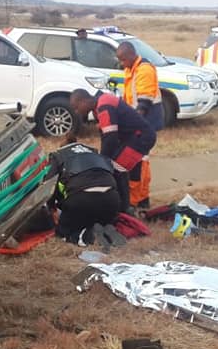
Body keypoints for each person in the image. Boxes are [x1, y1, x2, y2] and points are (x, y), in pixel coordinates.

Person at [69, 89, 156, 214]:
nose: (77, 112)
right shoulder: (98, 106)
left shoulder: (104, 105)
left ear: (84, 101)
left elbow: (110, 139)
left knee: (118, 168)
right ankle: (139, 201)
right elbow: (107, 136)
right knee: (122, 167)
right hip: (132, 137)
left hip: (140, 137)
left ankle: (125, 209)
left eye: (76, 108)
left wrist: (102, 162)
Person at [116, 41, 164, 209]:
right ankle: (139, 199)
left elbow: (143, 104)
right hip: (138, 123)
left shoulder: (144, 70)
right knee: (138, 161)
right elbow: (129, 100)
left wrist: (131, 126)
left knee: (139, 162)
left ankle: (139, 200)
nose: (121, 64)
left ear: (130, 55)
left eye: (122, 60)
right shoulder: (131, 69)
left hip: (145, 124)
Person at [48, 141, 120, 245]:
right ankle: (100, 229)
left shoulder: (58, 156)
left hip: (81, 201)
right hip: (111, 200)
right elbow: (121, 175)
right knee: (98, 221)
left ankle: (84, 236)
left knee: (62, 233)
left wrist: (51, 207)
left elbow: (50, 185)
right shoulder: (97, 154)